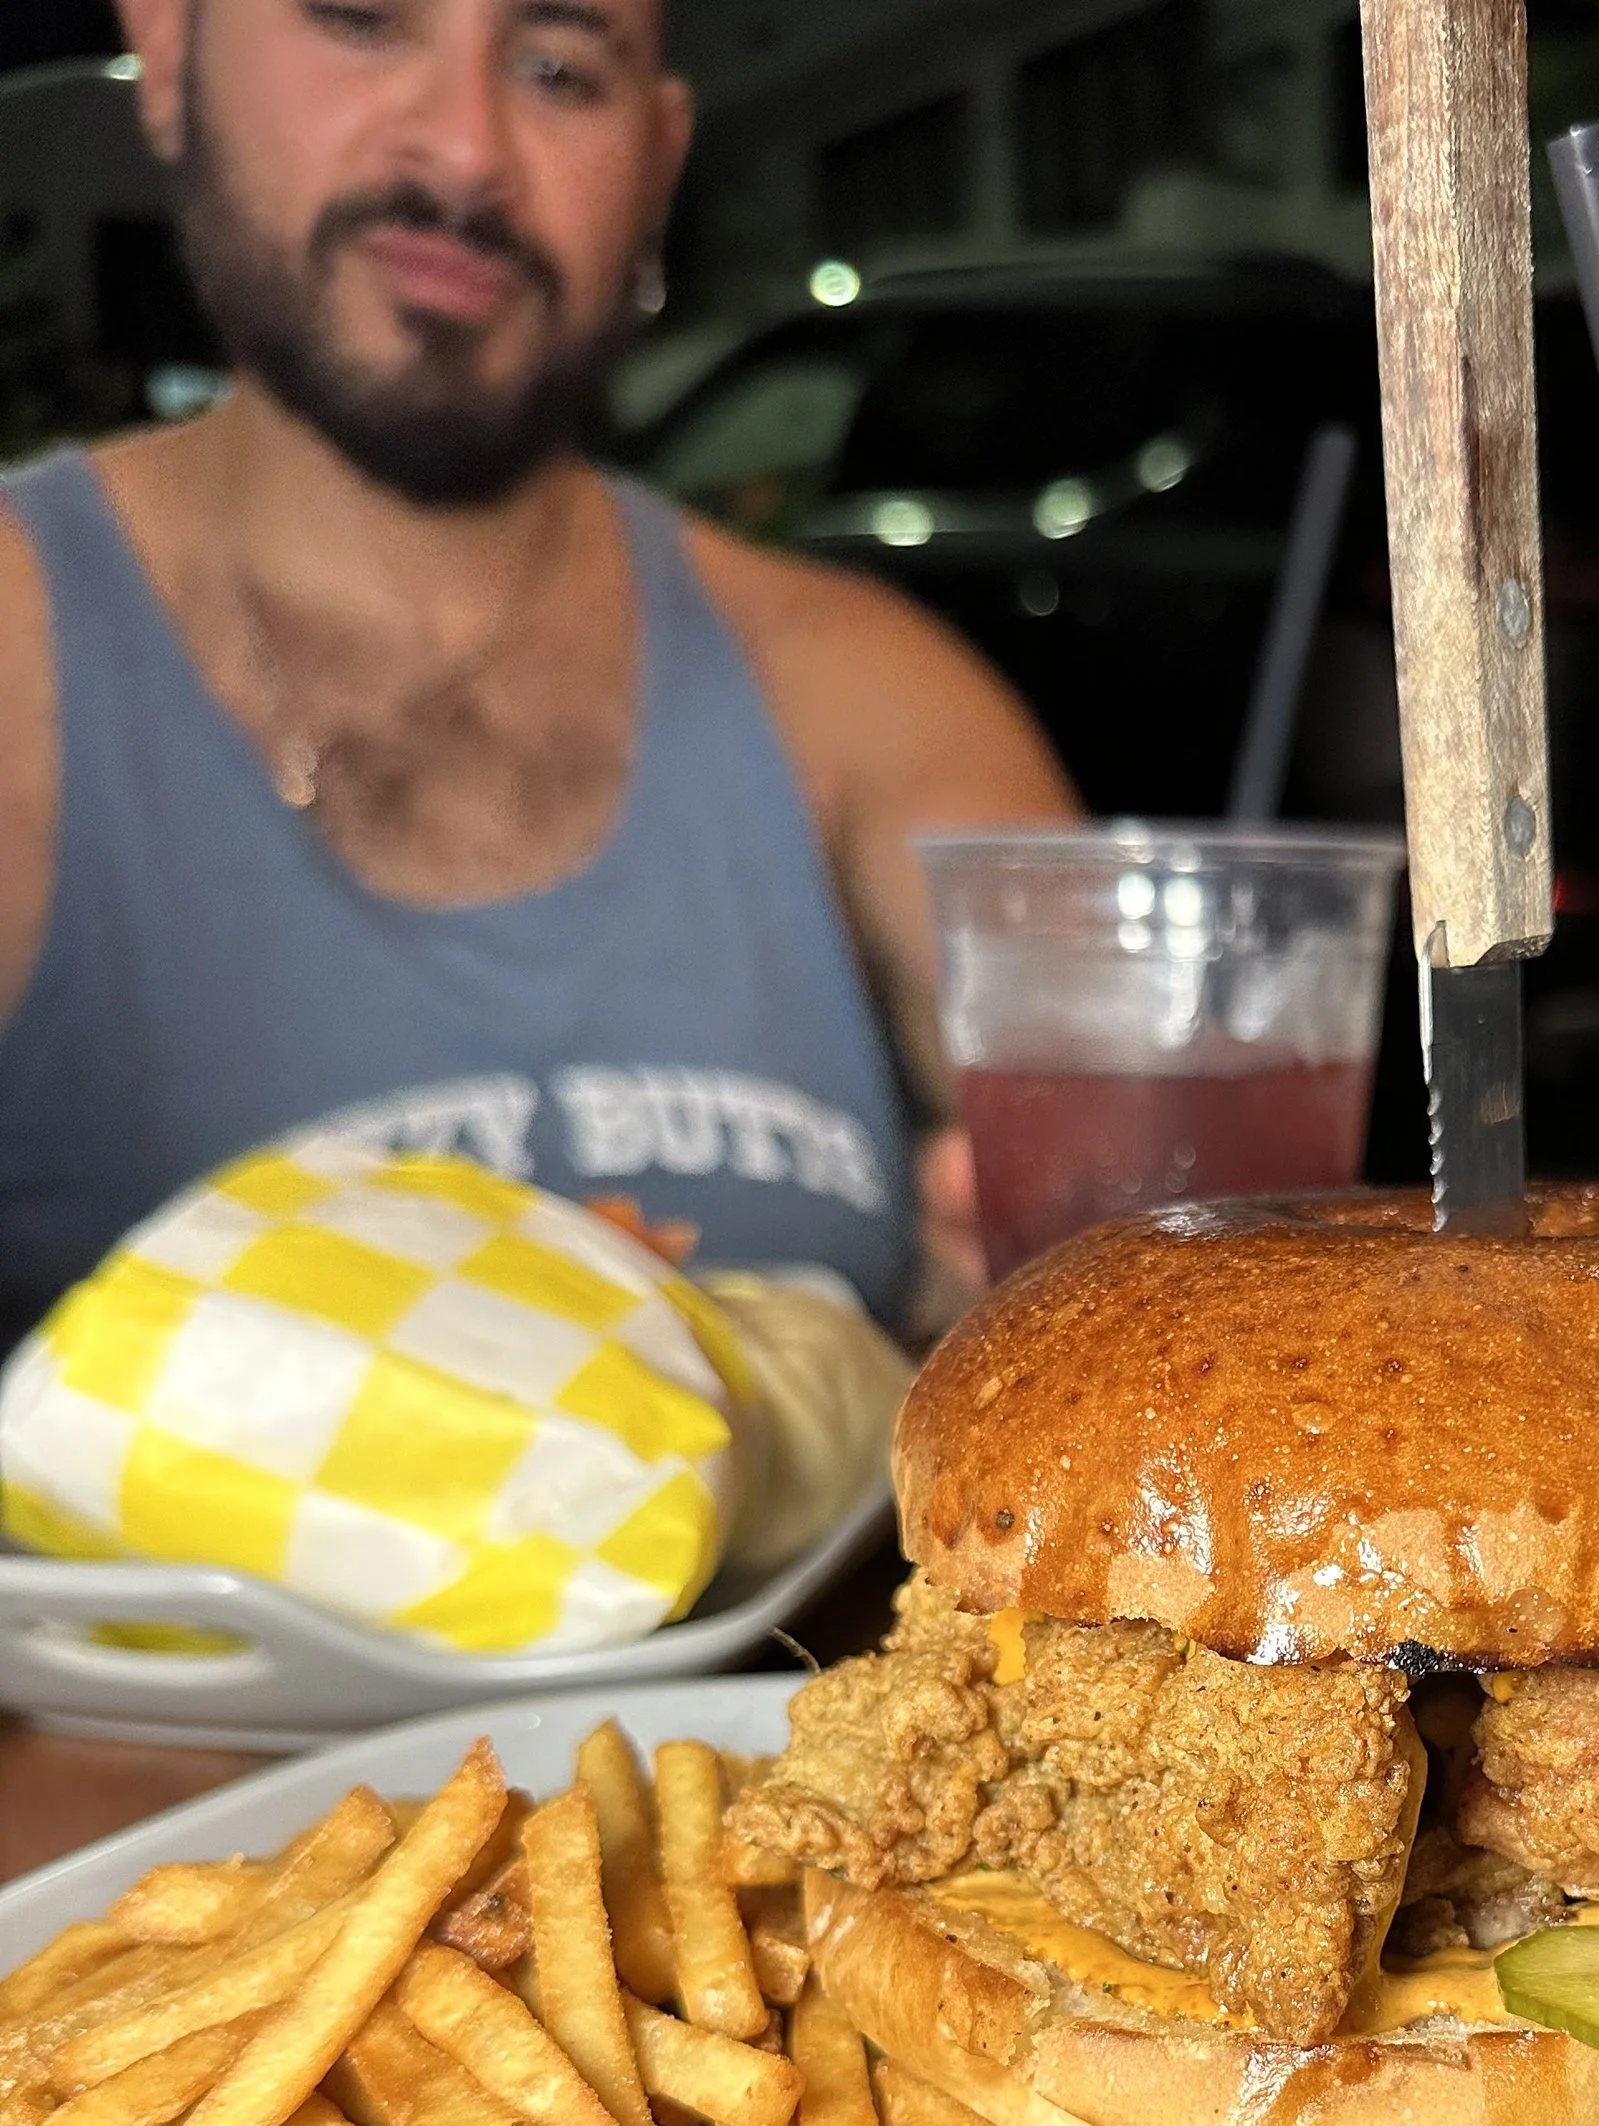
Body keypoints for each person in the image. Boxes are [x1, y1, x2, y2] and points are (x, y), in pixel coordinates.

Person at [0, 0, 1077, 1363]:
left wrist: (996, 1315)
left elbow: (1130, 1234)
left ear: (658, 153)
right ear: (168, 51)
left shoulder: (870, 696)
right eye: (359, 20)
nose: (462, 155)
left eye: (560, 70)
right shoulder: (22, 664)